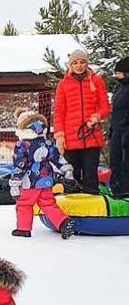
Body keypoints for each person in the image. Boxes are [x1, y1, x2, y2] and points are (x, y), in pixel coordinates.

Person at [10, 107, 75, 239]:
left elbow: (20, 165)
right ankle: (63, 222)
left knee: (24, 204)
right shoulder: (47, 143)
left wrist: (15, 182)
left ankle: (23, 228)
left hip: (30, 182)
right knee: (48, 204)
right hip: (46, 180)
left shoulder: (23, 145)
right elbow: (57, 158)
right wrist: (66, 169)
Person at [53, 49, 110, 194]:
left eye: (82, 62)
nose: (79, 65)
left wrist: (97, 116)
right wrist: (60, 135)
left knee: (91, 176)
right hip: (71, 140)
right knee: (72, 177)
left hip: (92, 137)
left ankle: (93, 211)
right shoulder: (63, 85)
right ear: (70, 65)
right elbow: (59, 112)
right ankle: (73, 212)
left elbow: (105, 107)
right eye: (76, 62)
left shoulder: (96, 81)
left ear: (86, 63)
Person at [109, 57, 129, 196]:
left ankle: (125, 189)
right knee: (115, 160)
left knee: (125, 163)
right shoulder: (119, 87)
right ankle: (117, 189)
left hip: (126, 130)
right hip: (117, 129)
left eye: (119, 73)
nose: (117, 76)